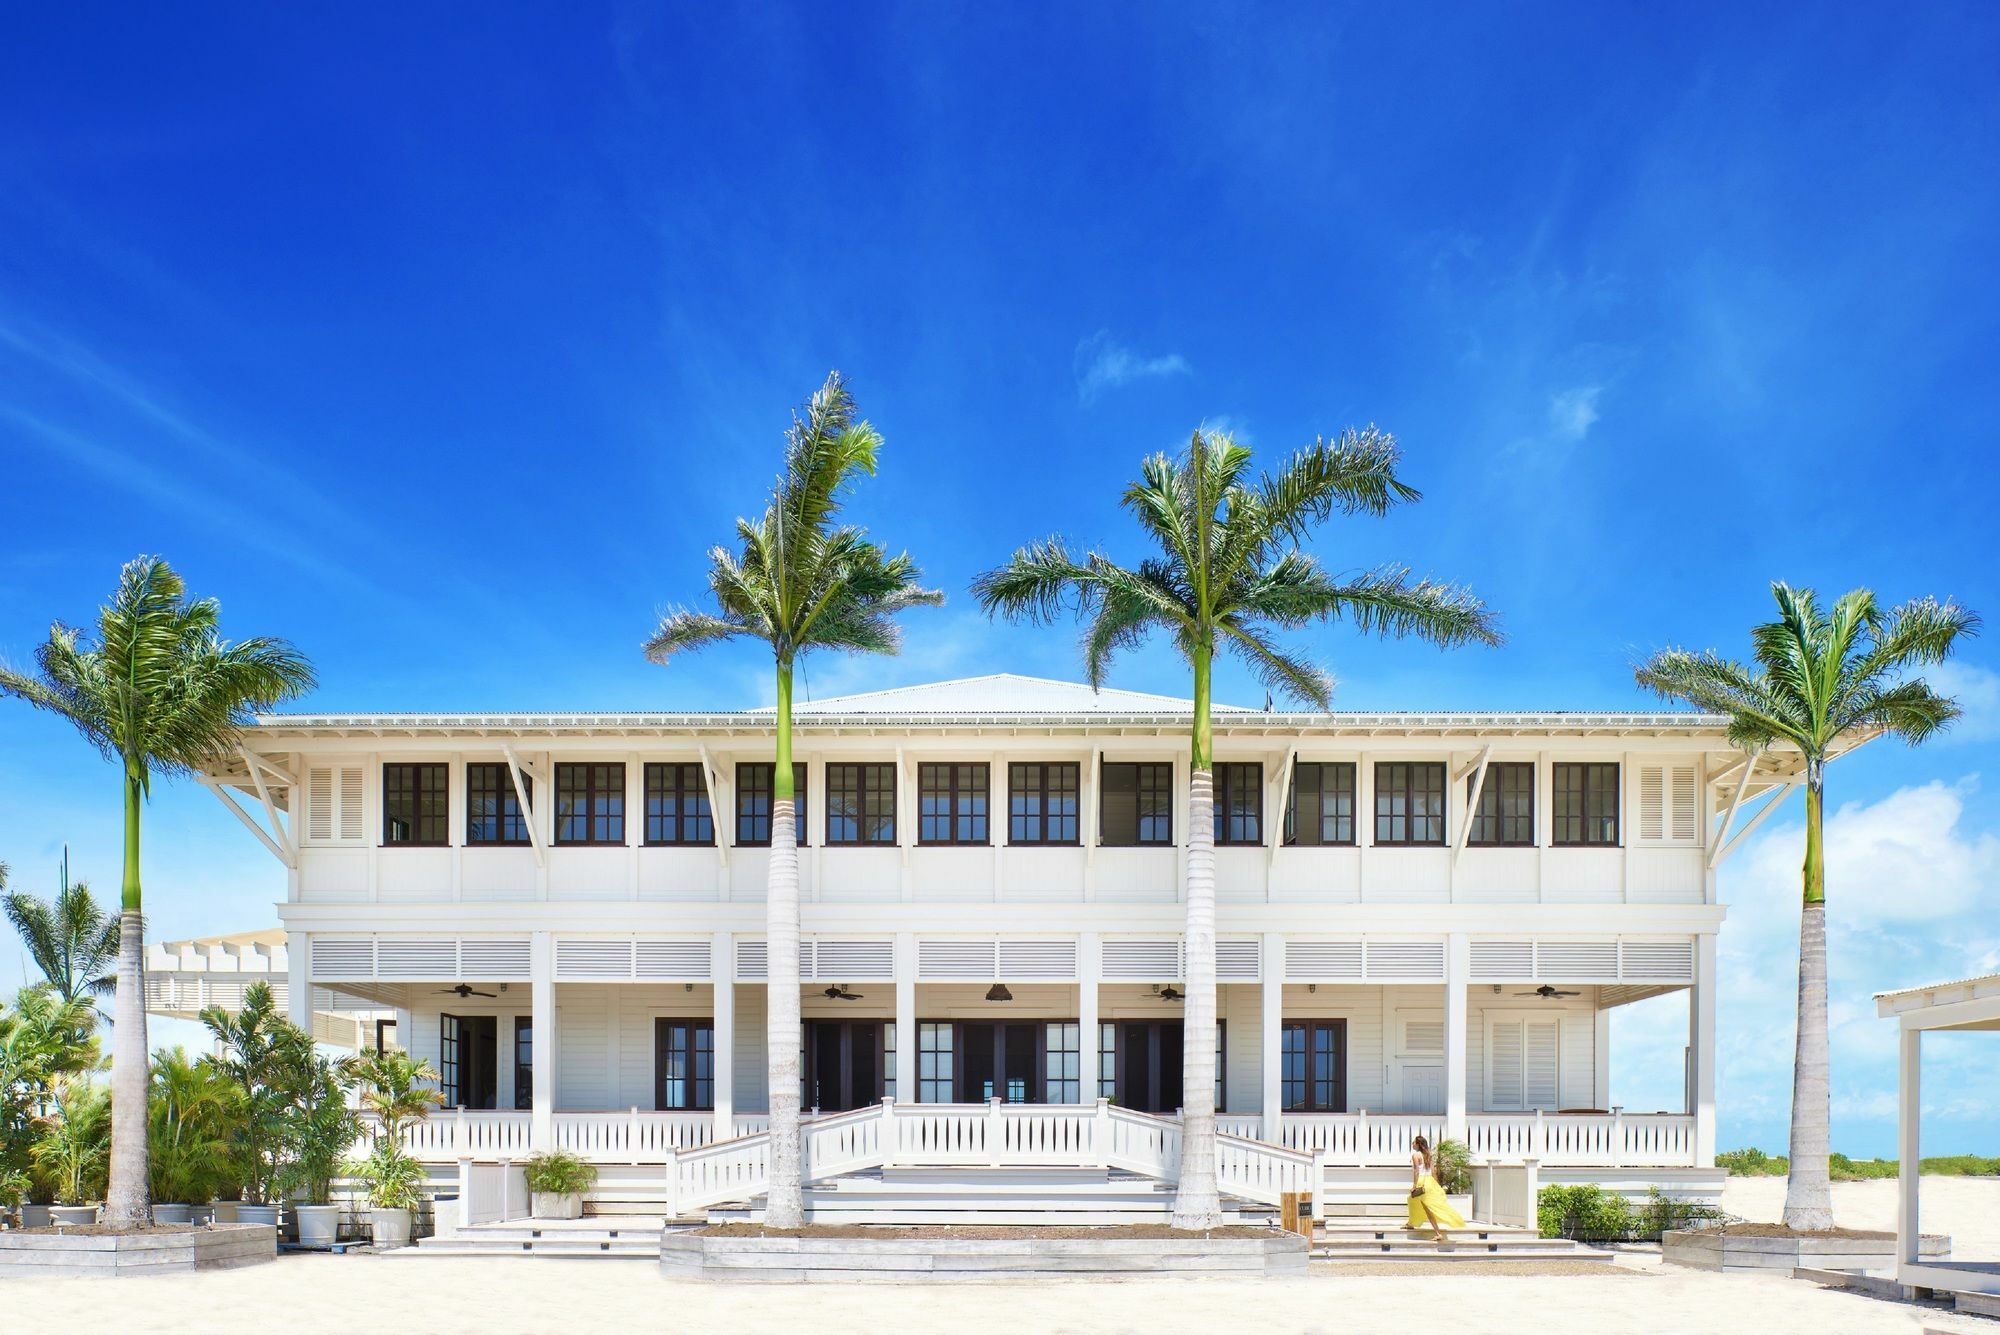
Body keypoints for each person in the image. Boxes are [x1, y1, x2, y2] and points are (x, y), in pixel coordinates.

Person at [1407, 1134, 1465, 1242]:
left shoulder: (1416, 1155)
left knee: (1428, 1209)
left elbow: (1416, 1171)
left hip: (1422, 1181)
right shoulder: (1428, 1154)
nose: (1412, 1144)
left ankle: (1438, 1233)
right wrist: (1436, 1183)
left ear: (1418, 1144)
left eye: (1414, 1142)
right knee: (1412, 1200)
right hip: (1429, 1181)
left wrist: (1414, 1185)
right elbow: (1433, 1170)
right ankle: (1410, 1223)